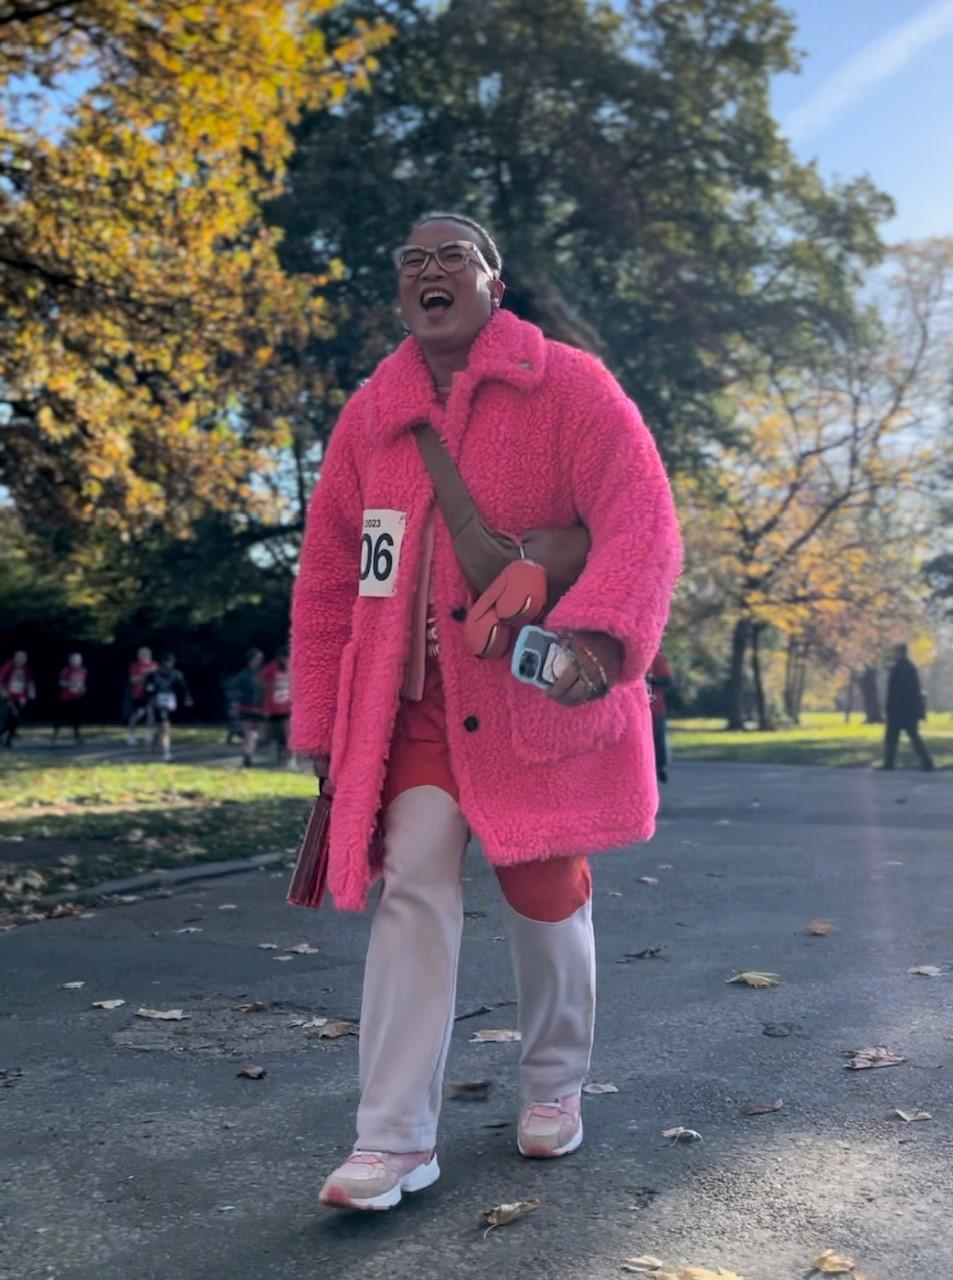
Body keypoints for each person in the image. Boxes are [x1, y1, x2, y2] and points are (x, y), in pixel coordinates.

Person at [290, 212, 680, 1212]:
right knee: (410, 890)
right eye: (411, 259)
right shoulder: (369, 415)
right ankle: (390, 1140)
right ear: (399, 292)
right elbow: (334, 572)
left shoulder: (570, 388)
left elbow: (640, 514)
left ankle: (552, 1081)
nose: (429, 269)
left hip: (526, 705)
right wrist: (328, 718)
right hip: (409, 713)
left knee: (545, 894)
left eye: (449, 256)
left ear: (492, 284)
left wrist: (596, 636)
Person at [884, 644, 934, 772]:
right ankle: (926, 762)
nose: (893, 655)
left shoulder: (900, 669)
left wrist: (891, 707)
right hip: (908, 710)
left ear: (900, 653)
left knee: (895, 737)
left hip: (900, 710)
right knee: (910, 736)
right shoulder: (909, 668)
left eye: (895, 652)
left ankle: (890, 763)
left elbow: (898, 691)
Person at [145, 653, 192, 763]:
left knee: (163, 727)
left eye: (170, 663)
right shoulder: (153, 674)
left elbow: (184, 688)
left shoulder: (177, 674)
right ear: (162, 663)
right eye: (166, 663)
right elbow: (148, 689)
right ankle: (167, 752)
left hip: (171, 702)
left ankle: (156, 737)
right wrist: (151, 702)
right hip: (158, 702)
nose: (168, 665)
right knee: (165, 725)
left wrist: (187, 698)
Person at [231, 649, 266, 768]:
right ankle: (248, 755)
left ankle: (248, 753)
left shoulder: (263, 674)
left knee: (257, 735)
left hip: (260, 708)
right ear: (250, 660)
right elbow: (236, 691)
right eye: (257, 658)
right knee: (249, 733)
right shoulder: (243, 675)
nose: (259, 661)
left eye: (260, 659)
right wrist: (236, 704)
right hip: (246, 708)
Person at [260, 646, 292, 765]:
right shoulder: (272, 667)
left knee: (289, 734)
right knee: (269, 734)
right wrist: (271, 687)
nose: (287, 660)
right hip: (272, 707)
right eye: (286, 658)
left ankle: (290, 760)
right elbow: (261, 681)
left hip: (287, 707)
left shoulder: (293, 667)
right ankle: (276, 752)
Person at [647, 649, 675, 783]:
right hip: (632, 709)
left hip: (655, 707)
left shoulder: (656, 657)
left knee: (657, 738)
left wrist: (650, 681)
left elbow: (667, 681)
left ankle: (659, 767)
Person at [0, 650, 36, 748]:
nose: (21, 660)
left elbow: (30, 683)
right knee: (5, 718)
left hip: (20, 698)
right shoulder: (8, 666)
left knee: (16, 719)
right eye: (19, 657)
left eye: (23, 658)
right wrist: (3, 692)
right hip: (7, 697)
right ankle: (4, 736)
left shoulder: (26, 670)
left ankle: (8, 739)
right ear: (15, 657)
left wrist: (31, 694)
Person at [51, 652, 88, 746]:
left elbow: (82, 683)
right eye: (75, 659)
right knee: (60, 718)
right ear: (70, 660)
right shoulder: (66, 670)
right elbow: (61, 683)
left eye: (79, 659)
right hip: (66, 698)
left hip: (77, 697)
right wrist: (71, 684)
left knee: (77, 718)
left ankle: (77, 737)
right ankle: (54, 736)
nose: (77, 661)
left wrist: (82, 689)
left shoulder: (83, 671)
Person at [126, 647, 157, 745]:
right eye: (142, 654)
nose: (144, 655)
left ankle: (149, 735)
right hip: (138, 693)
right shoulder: (135, 666)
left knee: (150, 713)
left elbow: (158, 678)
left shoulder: (154, 664)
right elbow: (132, 680)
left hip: (151, 694)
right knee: (137, 714)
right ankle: (131, 735)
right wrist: (143, 675)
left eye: (146, 653)